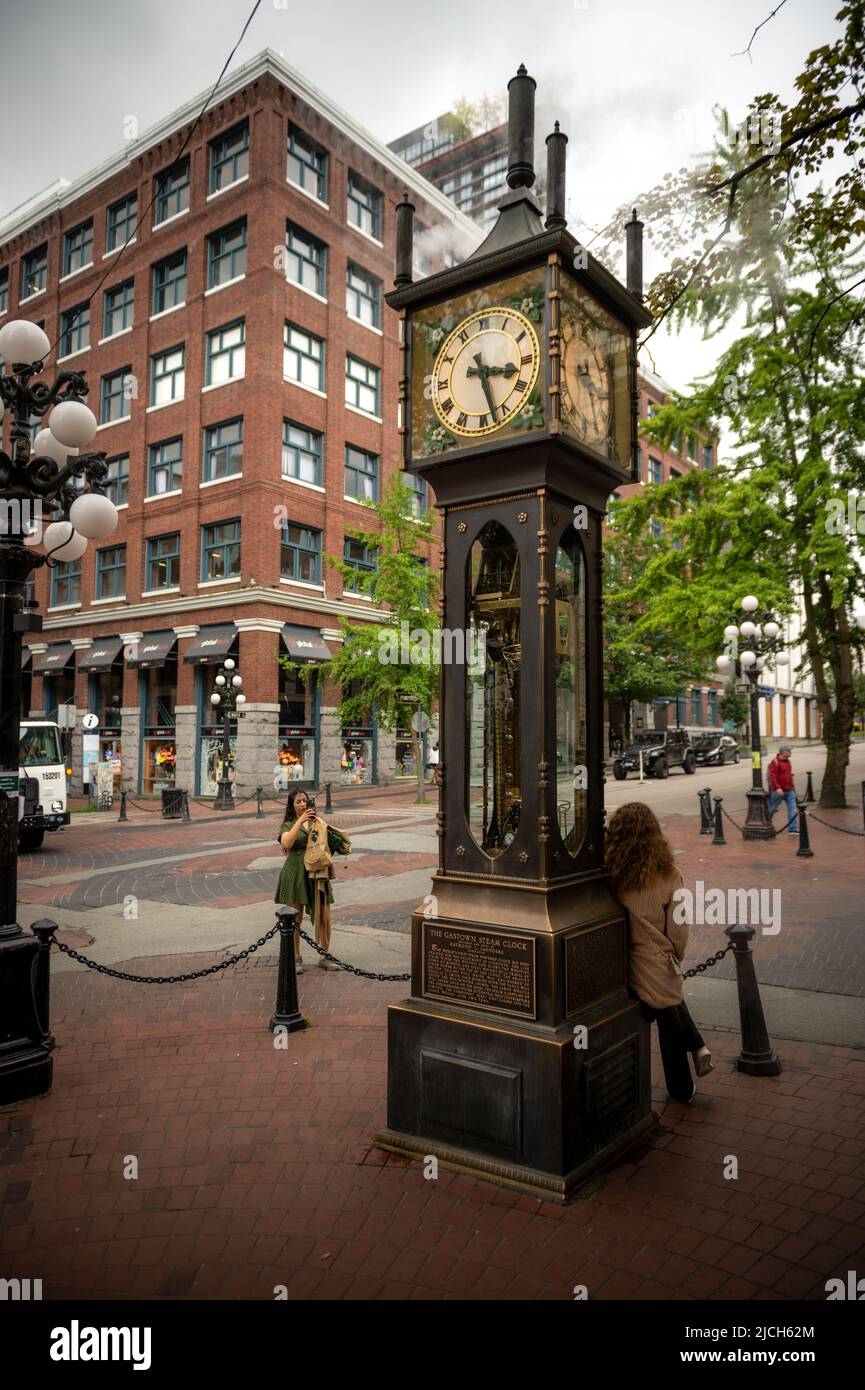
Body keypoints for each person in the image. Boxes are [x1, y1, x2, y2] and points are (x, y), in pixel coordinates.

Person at [605, 802, 712, 1103]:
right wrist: (674, 955)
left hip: (623, 960)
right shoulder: (669, 873)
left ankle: (697, 1052)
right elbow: (679, 928)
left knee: (668, 1006)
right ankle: (682, 1087)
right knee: (669, 1015)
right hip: (655, 958)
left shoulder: (611, 872)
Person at [274, 788, 351, 972]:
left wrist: (338, 839)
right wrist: (301, 820)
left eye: (304, 801)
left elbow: (327, 845)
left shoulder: (318, 823)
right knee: (295, 918)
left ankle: (325, 956)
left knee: (325, 917)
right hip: (296, 873)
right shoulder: (288, 824)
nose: (302, 805)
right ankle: (295, 958)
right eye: (298, 802)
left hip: (318, 874)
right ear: (292, 806)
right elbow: (286, 843)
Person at [767, 744, 798, 834]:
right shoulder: (775, 762)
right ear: (783, 752)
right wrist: (777, 788)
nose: (790, 753)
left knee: (793, 809)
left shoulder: (788, 761)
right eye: (789, 751)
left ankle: (792, 829)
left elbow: (788, 775)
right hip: (778, 791)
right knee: (771, 808)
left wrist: (792, 788)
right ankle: (765, 824)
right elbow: (773, 776)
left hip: (789, 791)